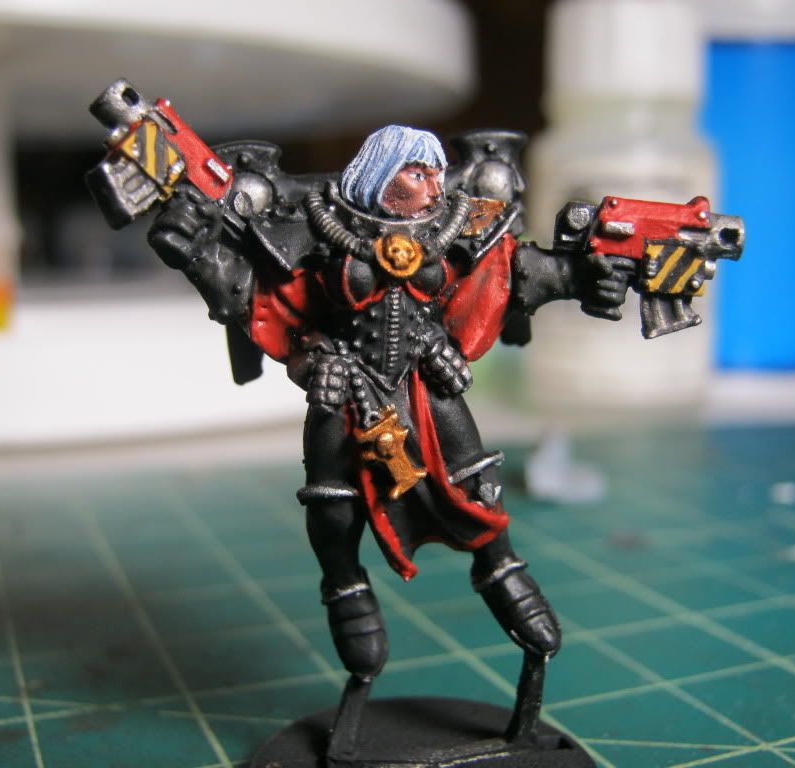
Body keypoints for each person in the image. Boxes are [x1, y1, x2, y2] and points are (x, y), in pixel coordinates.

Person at [146, 124, 629, 747]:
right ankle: (346, 590)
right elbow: (253, 292)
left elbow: (525, 272)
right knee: (330, 505)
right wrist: (193, 249)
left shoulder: (456, 224)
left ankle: (503, 569)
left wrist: (590, 276)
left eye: (437, 172)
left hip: (427, 387)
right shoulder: (317, 229)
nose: (434, 185)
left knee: (476, 485)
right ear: (381, 176)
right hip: (344, 389)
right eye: (417, 173)